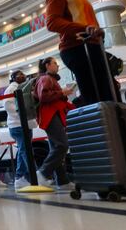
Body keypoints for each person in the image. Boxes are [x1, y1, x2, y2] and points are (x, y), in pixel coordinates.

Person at [45, 0, 111, 105]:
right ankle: (103, 125)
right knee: (96, 96)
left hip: (91, 46)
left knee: (106, 92)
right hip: (78, 47)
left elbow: (87, 22)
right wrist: (85, 28)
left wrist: (98, 33)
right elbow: (51, 22)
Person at [34, 57, 75, 190]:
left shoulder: (48, 79)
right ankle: (42, 173)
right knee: (62, 145)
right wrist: (62, 92)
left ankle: (62, 180)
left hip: (52, 115)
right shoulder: (45, 79)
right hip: (50, 115)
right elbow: (44, 96)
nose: (57, 66)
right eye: (55, 64)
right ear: (47, 65)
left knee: (56, 147)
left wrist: (62, 93)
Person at [4, 70, 37, 191]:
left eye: (23, 74)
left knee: (23, 151)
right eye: (19, 74)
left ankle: (19, 178)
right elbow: (8, 105)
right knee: (25, 151)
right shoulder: (11, 89)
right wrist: (22, 114)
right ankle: (34, 177)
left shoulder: (23, 87)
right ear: (13, 78)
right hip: (18, 125)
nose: (23, 75)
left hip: (25, 124)